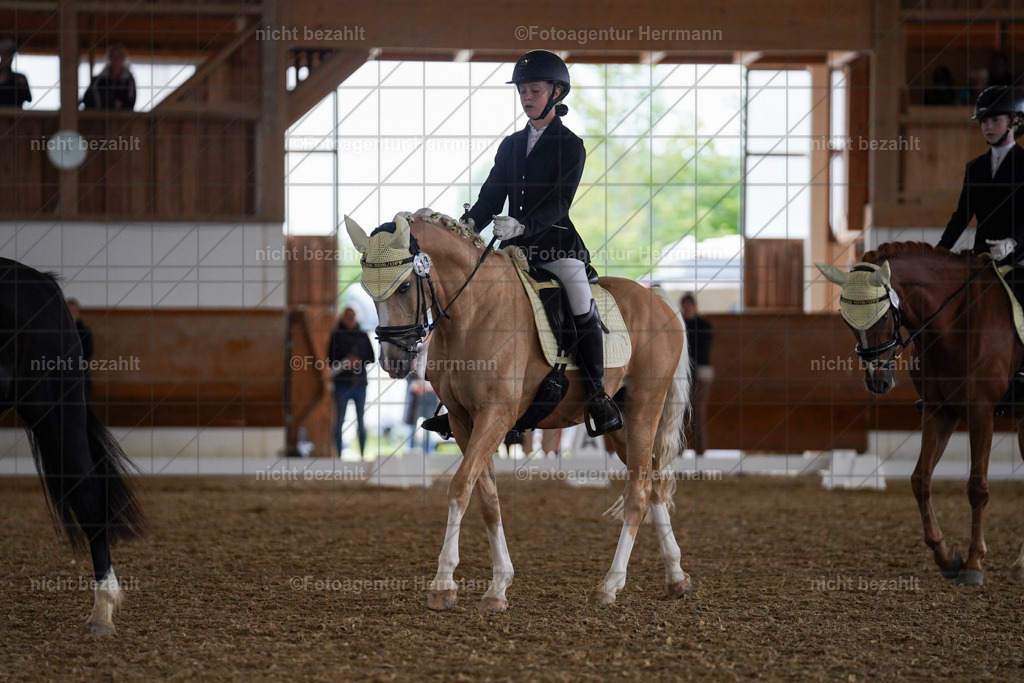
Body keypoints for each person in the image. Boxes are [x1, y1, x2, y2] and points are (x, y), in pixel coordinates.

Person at [460, 49, 622, 436]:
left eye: (534, 90)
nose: (527, 97)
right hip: (514, 251)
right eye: (522, 92)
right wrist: (468, 225)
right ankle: (460, 395)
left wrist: (522, 225)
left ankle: (599, 395)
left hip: (556, 247)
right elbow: (488, 199)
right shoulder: (511, 145)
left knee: (579, 295)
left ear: (556, 92)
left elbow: (560, 203)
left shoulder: (571, 146)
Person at [937, 85, 1024, 391]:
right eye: (983, 121)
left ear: (1014, 121)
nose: (987, 126)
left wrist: (1013, 242)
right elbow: (961, 216)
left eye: (994, 119)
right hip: (980, 260)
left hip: (1017, 259)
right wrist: (939, 253)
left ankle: (1020, 371)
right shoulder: (974, 168)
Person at [328, 307, 375, 458]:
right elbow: (330, 360)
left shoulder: (362, 335)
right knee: (339, 420)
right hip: (342, 384)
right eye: (347, 316)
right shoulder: (336, 335)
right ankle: (339, 456)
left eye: (352, 316)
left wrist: (359, 361)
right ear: (342, 317)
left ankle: (362, 455)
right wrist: (345, 363)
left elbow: (371, 357)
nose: (350, 318)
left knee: (361, 420)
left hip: (360, 384)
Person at [680, 293, 714, 455]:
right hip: (683, 374)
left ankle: (700, 455)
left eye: (689, 306)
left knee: (698, 415)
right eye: (685, 306)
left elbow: (703, 351)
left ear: (694, 306)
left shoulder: (704, 325)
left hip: (700, 374)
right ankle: (677, 454)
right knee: (680, 415)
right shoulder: (679, 324)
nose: (687, 309)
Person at [81, 43, 136, 110]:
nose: (115, 59)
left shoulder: (128, 79)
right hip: (100, 116)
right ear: (109, 58)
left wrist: (121, 105)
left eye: (118, 56)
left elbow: (131, 101)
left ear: (123, 58)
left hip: (122, 118)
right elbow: (88, 98)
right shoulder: (99, 79)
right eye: (112, 56)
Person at [66, 298, 94, 401]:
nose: (71, 314)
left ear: (78, 313)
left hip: (80, 371)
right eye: (68, 311)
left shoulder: (85, 332)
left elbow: (87, 354)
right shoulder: (56, 331)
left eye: (74, 311)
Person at [0, 38, 31, 108]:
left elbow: (28, 98)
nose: (8, 58)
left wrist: (22, 85)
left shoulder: (19, 77)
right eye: (5, 54)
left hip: (14, 117)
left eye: (10, 54)